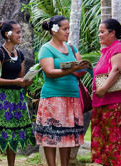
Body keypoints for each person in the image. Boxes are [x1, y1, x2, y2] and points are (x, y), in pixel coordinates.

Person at [34, 15, 90, 166]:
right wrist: (72, 68)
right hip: (53, 97)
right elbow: (49, 72)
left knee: (67, 135)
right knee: (51, 134)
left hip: (72, 97)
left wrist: (81, 68)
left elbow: (80, 71)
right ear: (54, 30)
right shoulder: (46, 49)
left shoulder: (71, 48)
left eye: (68, 29)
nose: (67, 32)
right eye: (64, 29)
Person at [0, 20, 35, 166]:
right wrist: (14, 82)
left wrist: (25, 82)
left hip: (17, 97)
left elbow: (21, 75)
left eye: (20, 32)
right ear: (8, 34)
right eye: (18, 32)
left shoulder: (20, 54)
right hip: (1, 98)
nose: (20, 34)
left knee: (14, 133)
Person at [91, 18, 121, 166]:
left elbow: (116, 70)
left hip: (115, 103)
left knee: (115, 140)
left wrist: (102, 89)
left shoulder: (118, 48)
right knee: (105, 140)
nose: (99, 35)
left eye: (102, 32)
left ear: (112, 33)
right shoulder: (107, 51)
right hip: (103, 102)